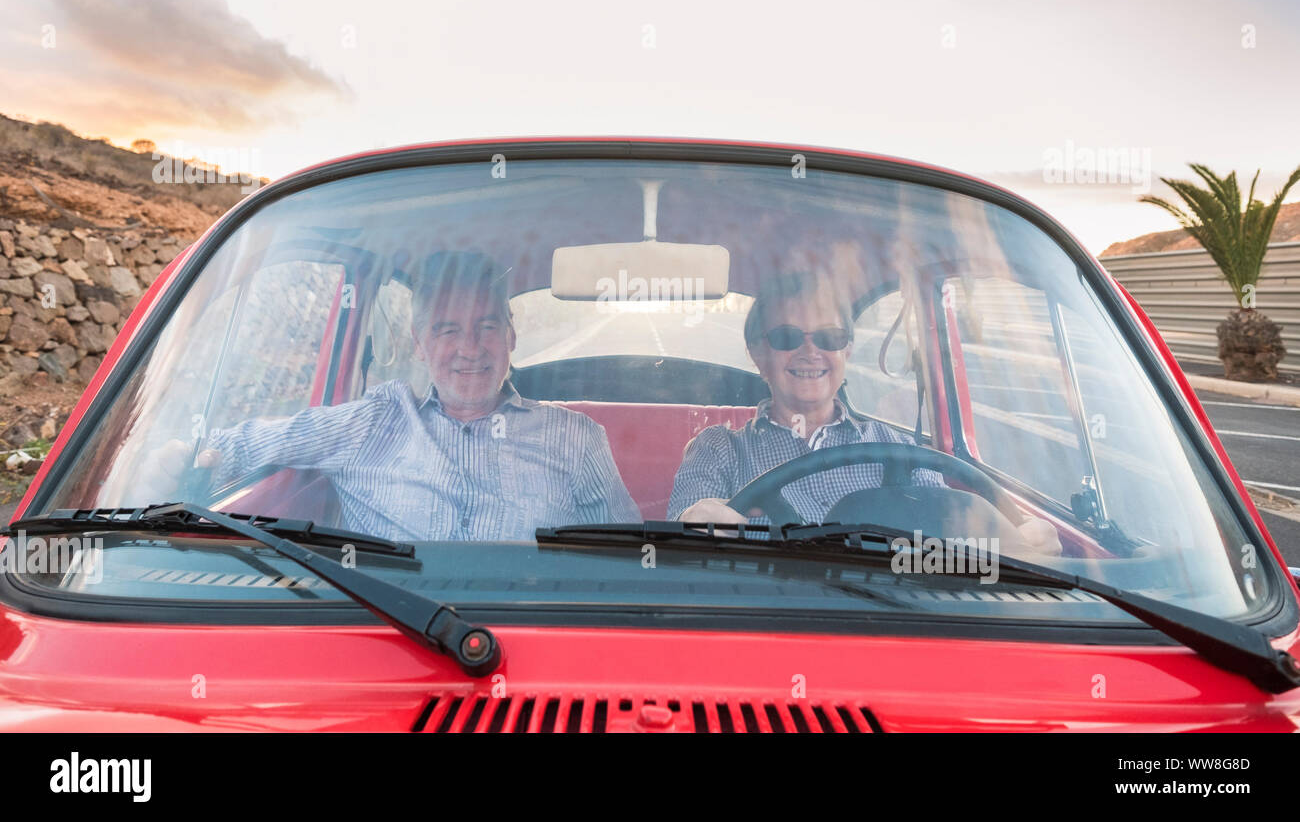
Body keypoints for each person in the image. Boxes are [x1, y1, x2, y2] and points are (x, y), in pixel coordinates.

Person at [141, 252, 639, 541]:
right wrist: (186, 458)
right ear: (420, 346)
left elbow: (624, 561)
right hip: (392, 646)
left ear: (511, 336)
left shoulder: (576, 438)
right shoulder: (374, 420)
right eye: (447, 331)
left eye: (486, 326)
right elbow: (256, 442)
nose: (469, 348)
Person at [669, 271, 1061, 555]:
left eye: (829, 337)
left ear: (847, 352)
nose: (811, 352)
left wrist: (1019, 542)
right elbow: (681, 529)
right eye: (787, 337)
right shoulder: (719, 448)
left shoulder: (897, 448)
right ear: (758, 354)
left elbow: (953, 536)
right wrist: (693, 521)